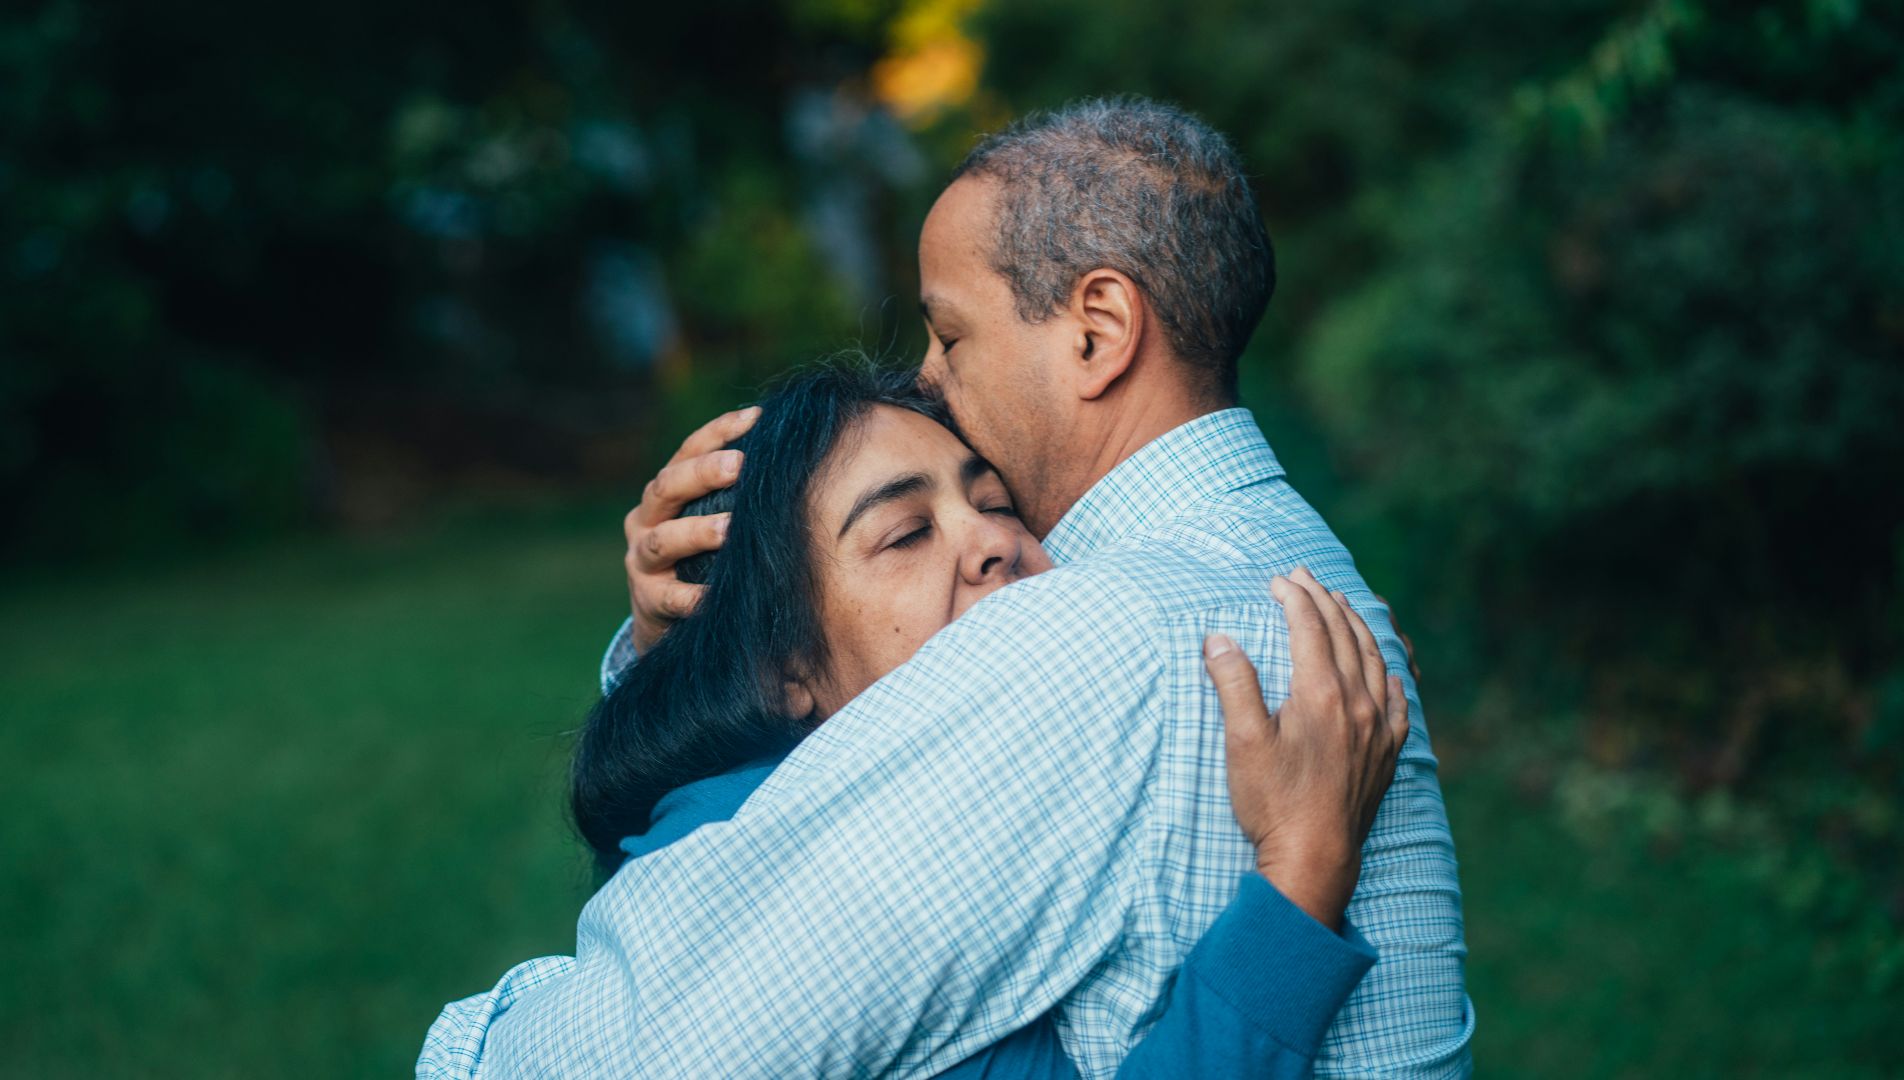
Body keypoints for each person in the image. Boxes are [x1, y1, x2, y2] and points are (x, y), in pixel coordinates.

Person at [448, 97, 1472, 1076]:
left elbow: (632, 1052)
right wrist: (690, 643)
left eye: (951, 334)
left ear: (1098, 330)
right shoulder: (1286, 568)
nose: (931, 380)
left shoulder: (1095, 636)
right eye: (904, 530)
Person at [420, 364, 1409, 1078]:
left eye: (998, 503)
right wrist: (1302, 873)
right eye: (906, 532)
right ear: (784, 666)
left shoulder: (741, 812)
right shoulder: (856, 911)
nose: (993, 543)